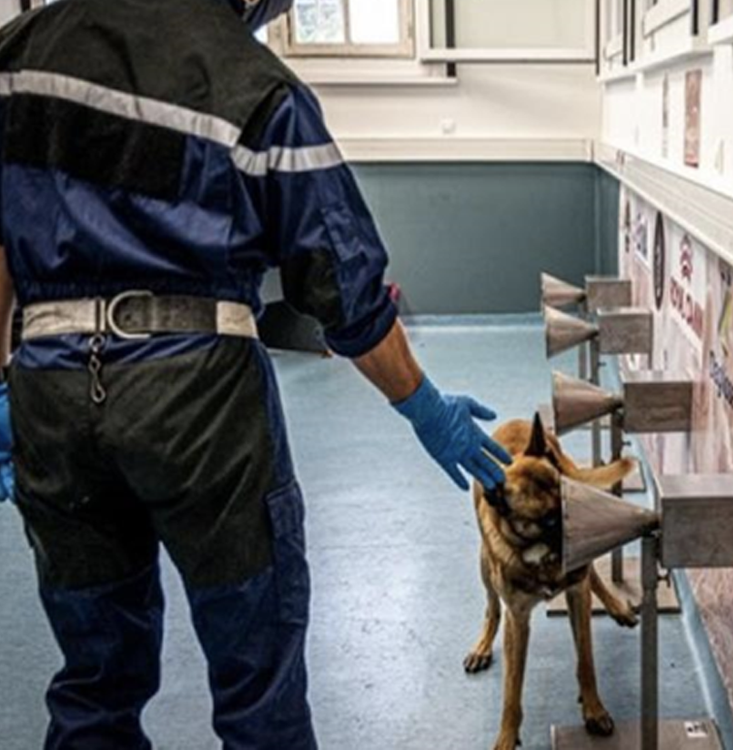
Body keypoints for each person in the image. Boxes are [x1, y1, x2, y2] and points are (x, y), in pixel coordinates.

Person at [0, 0, 511, 748]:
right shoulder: (256, 86)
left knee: (94, 683)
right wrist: (423, 406)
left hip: (51, 391)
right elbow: (346, 290)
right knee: (257, 682)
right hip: (200, 404)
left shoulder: (18, 53)